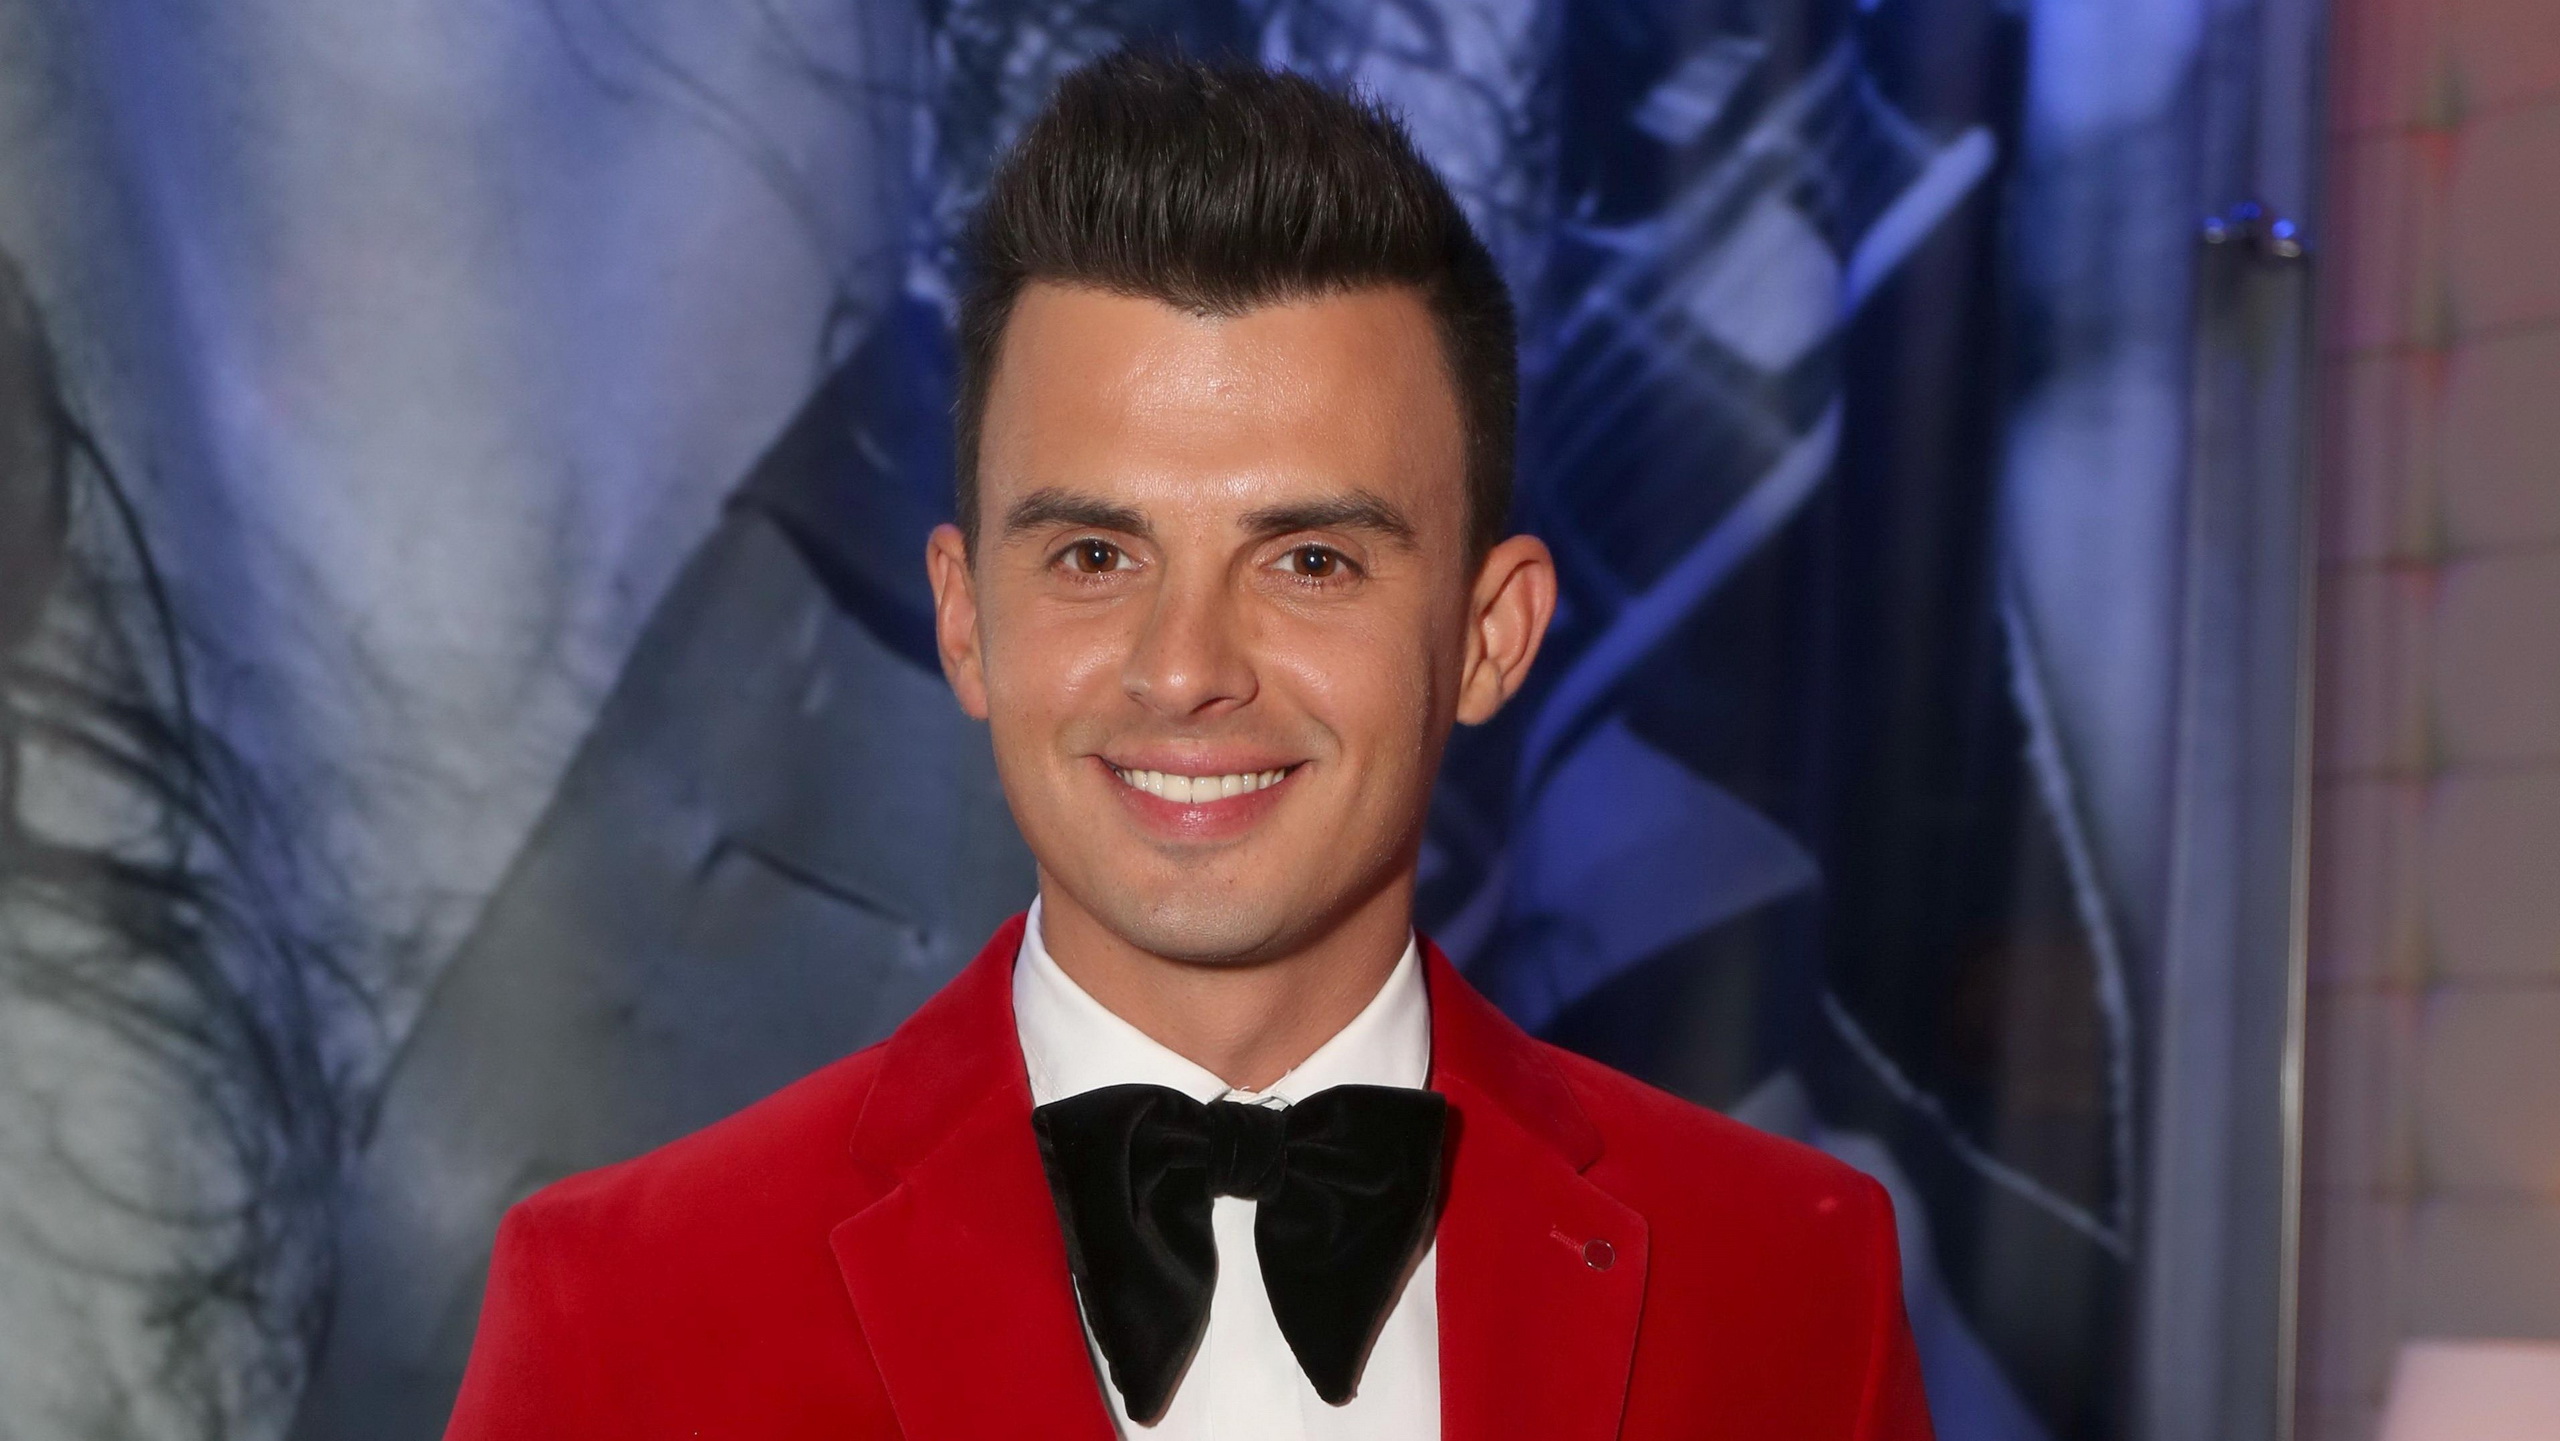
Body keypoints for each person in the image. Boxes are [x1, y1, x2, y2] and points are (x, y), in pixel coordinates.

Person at [444, 53, 1932, 1441]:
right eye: (1096, 556)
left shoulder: (1792, 1281)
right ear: (964, 621)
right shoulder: (624, 1310)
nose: (1185, 671)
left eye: (1310, 562)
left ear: (1492, 634)